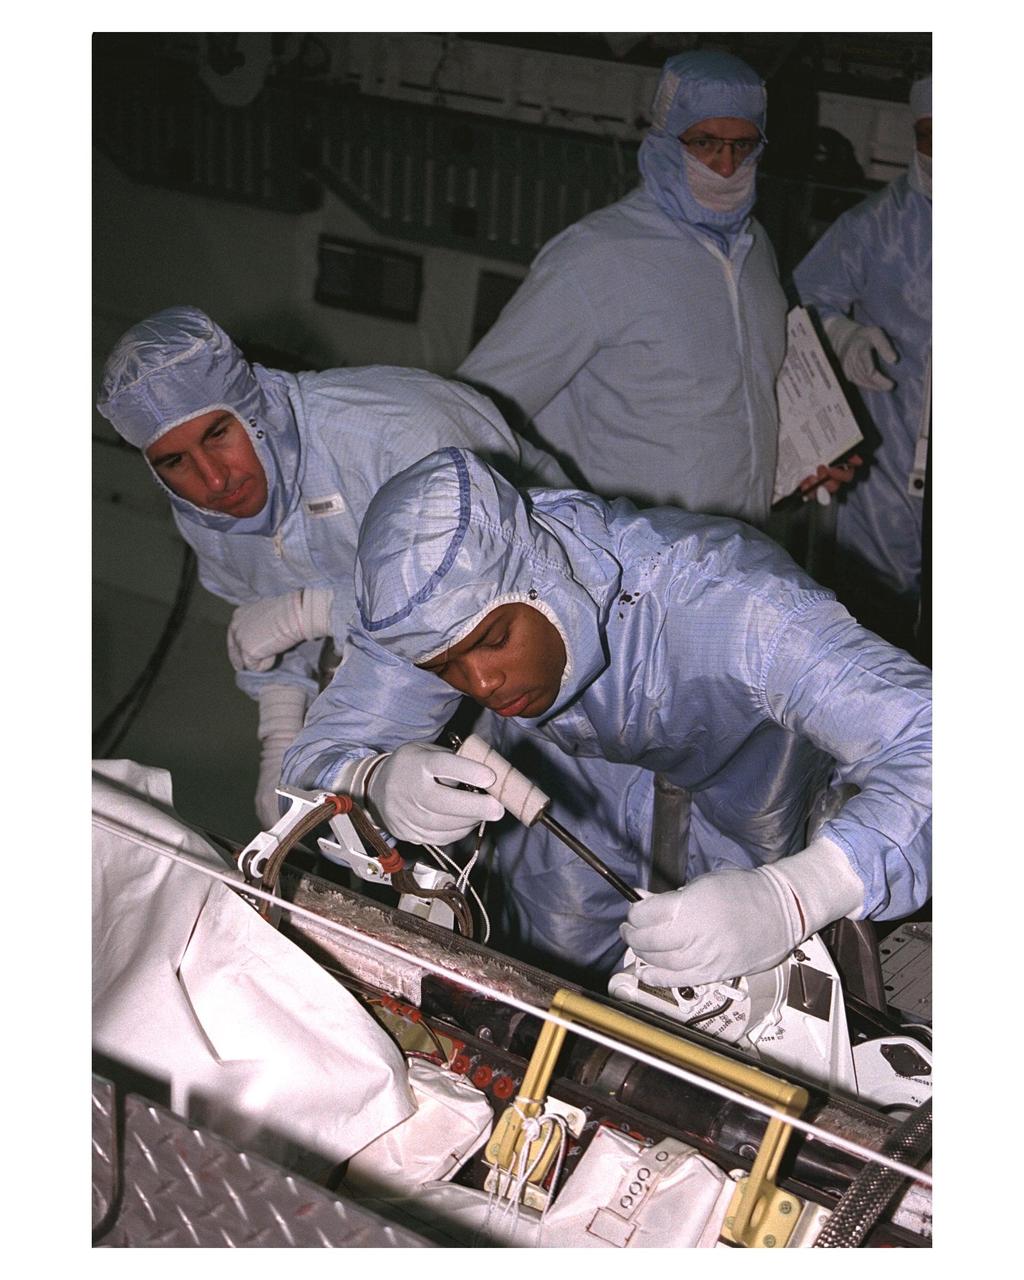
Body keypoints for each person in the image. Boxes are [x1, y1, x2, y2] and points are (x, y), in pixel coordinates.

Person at [282, 449, 931, 987]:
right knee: (549, 975)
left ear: (537, 579)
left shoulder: (740, 609)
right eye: (444, 666)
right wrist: (368, 781)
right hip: (575, 777)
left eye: (493, 641)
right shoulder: (431, 610)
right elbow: (313, 763)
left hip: (751, 763)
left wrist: (798, 895)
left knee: (739, 990)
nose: (478, 683)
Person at [95, 306, 570, 827]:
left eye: (217, 436)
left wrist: (315, 611)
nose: (213, 482)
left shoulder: (393, 432)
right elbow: (276, 639)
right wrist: (279, 744)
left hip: (560, 657)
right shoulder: (206, 517)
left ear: (251, 407)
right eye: (175, 461)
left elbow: (487, 599)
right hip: (424, 697)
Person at [458, 48, 855, 520]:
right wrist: (565, 527)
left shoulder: (756, 248)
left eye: (743, 145)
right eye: (705, 142)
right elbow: (470, 415)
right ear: (666, 137)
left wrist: (801, 461)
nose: (726, 166)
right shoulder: (598, 256)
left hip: (740, 560)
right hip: (632, 574)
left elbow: (738, 406)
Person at [793, 76, 932, 653]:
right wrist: (844, 335)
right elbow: (803, 302)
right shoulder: (878, 225)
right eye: (932, 136)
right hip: (893, 452)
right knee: (877, 621)